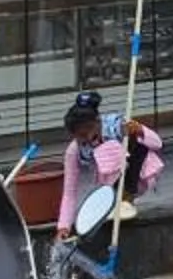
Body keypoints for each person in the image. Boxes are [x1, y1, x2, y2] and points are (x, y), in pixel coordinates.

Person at [56, 89, 164, 241]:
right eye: (81, 136)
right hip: (109, 187)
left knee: (112, 146)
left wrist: (139, 130)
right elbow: (69, 191)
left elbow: (157, 143)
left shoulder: (119, 125)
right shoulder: (73, 151)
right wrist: (64, 226)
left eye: (89, 131)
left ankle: (125, 197)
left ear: (98, 121)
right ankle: (117, 200)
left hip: (138, 174)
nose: (87, 138)